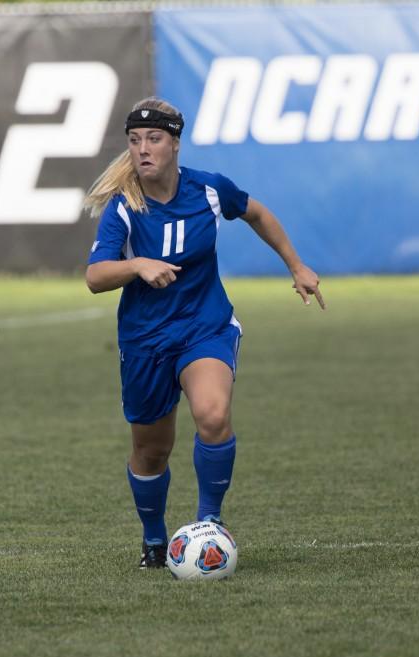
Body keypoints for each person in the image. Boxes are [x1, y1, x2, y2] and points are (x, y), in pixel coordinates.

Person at [84, 97, 325, 569]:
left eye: (153, 139)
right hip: (145, 339)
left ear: (175, 144)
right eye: (134, 141)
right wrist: (136, 265)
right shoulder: (124, 208)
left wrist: (296, 265)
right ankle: (155, 541)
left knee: (212, 416)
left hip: (204, 326)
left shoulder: (210, 190)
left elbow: (256, 213)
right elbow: (95, 277)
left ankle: (209, 524)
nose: (143, 150)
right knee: (151, 451)